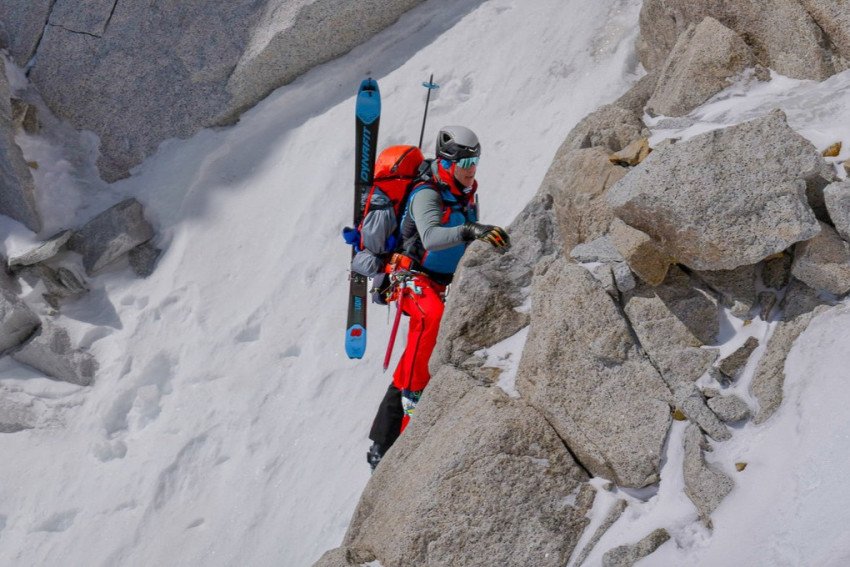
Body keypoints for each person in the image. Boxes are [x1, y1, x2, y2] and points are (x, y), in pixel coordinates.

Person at [367, 125, 510, 470]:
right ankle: (414, 400)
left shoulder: (464, 192)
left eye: (475, 160)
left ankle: (381, 443)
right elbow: (430, 237)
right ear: (448, 161)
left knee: (417, 353)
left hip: (443, 281)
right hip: (410, 277)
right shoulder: (426, 194)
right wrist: (470, 230)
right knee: (430, 318)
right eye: (465, 160)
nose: (472, 167)